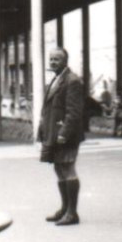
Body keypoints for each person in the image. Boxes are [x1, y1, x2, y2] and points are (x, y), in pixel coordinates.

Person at [38, 48, 86, 226]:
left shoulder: (72, 81)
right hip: (53, 133)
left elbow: (74, 112)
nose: (52, 62)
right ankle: (65, 208)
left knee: (67, 168)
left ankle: (72, 213)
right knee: (59, 169)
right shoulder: (57, 79)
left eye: (57, 59)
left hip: (65, 134)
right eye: (51, 59)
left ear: (65, 61)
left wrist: (64, 134)